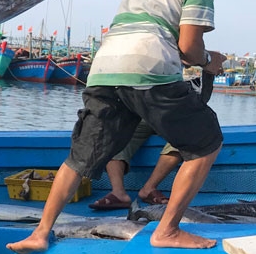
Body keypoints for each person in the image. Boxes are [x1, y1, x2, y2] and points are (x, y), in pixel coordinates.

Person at [7, 0, 250, 254]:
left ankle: (40, 232)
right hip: (149, 66)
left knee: (80, 157)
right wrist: (211, 62)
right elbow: (188, 48)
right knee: (206, 143)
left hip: (106, 66)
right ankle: (167, 230)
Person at [90, 74, 215, 211]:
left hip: (174, 117)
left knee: (188, 136)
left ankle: (149, 188)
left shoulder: (197, 65)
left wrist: (209, 73)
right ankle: (118, 193)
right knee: (114, 137)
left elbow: (202, 101)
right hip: (142, 115)